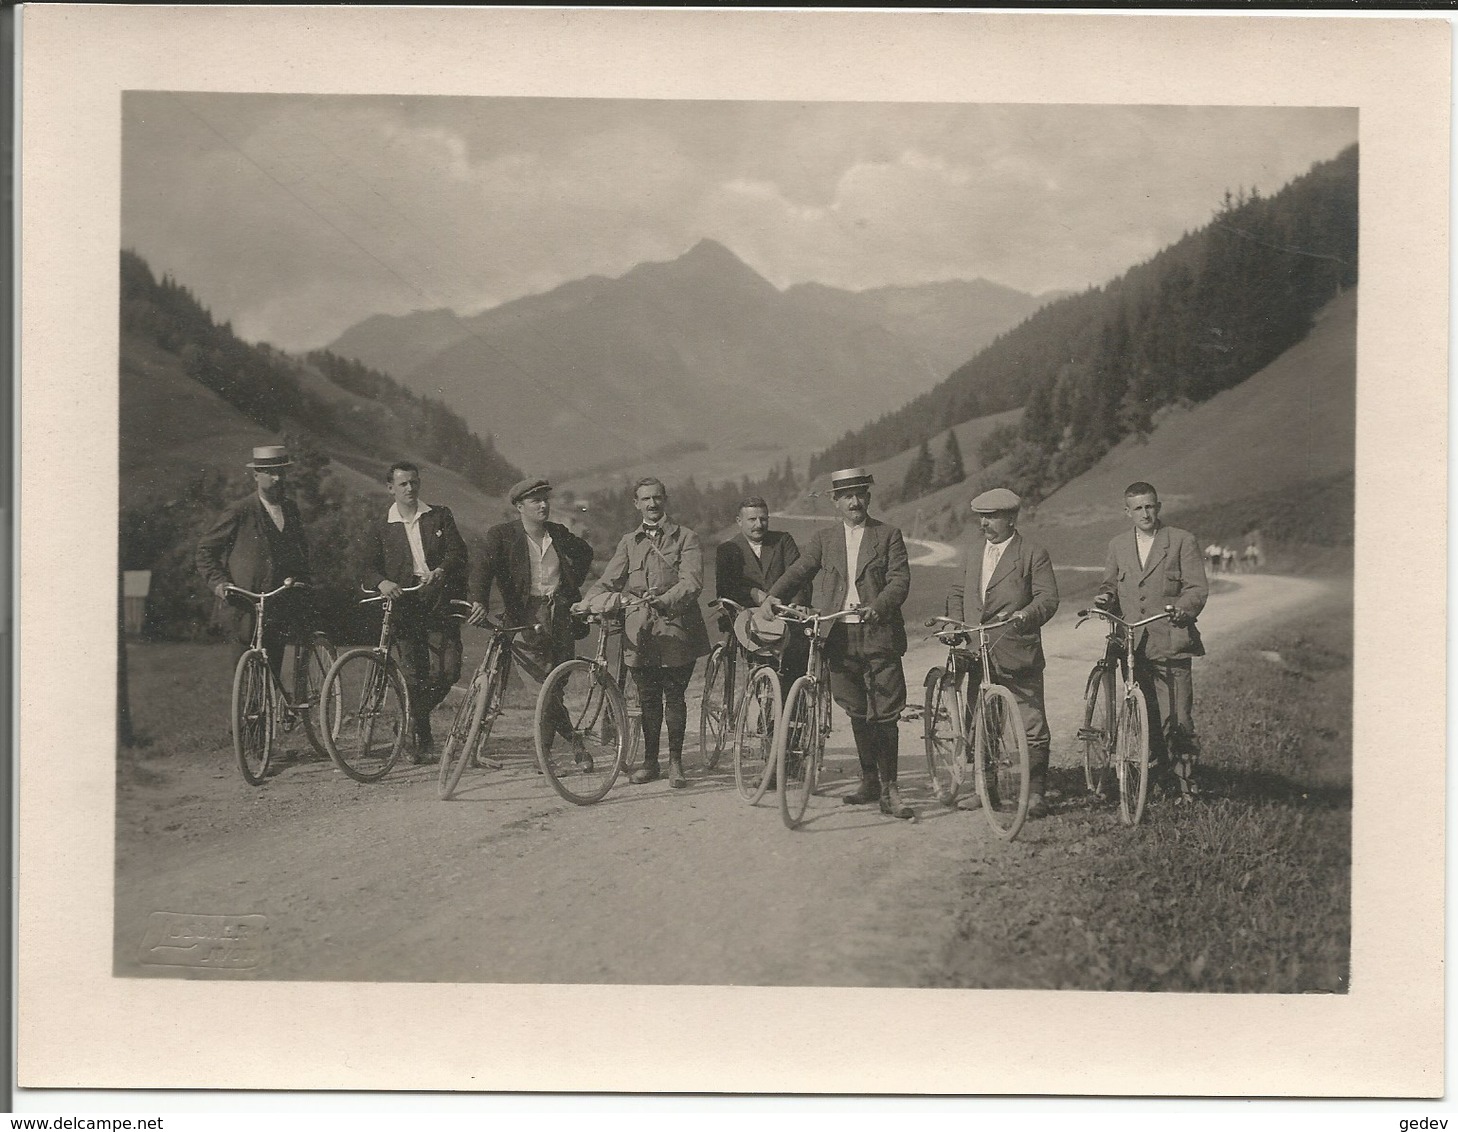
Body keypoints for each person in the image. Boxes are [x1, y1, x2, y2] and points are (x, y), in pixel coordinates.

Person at [760, 467, 914, 820]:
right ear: (835, 501)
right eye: (847, 496)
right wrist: (772, 595)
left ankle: (891, 790)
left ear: (869, 498)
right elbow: (800, 570)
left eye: (860, 495)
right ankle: (870, 780)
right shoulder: (824, 539)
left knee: (885, 713)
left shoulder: (888, 535)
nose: (855, 502)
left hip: (878, 634)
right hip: (837, 635)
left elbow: (899, 581)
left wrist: (878, 607)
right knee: (857, 709)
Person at [579, 477, 710, 789]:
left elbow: (692, 581)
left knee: (674, 695)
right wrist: (587, 603)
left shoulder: (686, 538)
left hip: (677, 626)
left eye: (657, 498)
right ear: (636, 504)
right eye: (645, 500)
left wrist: (664, 601)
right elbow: (609, 580)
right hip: (639, 632)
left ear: (665, 500)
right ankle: (651, 762)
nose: (652, 505)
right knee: (648, 698)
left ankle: (676, 761)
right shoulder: (629, 542)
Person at [945, 487, 1060, 818]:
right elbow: (956, 592)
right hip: (977, 650)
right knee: (981, 722)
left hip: (1016, 649)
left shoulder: (1031, 553)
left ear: (1011, 518)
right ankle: (986, 790)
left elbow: (1048, 599)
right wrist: (955, 626)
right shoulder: (971, 554)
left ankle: (1036, 793)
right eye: (981, 517)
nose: (984, 524)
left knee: (1031, 723)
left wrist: (1026, 616)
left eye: (992, 517)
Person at [467, 477, 595, 767]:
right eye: (536, 500)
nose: (543, 505)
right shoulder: (502, 536)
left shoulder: (558, 534)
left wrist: (571, 585)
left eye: (545, 499)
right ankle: (554, 751)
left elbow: (585, 553)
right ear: (519, 506)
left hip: (560, 613)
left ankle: (558, 746)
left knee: (557, 683)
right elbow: (482, 568)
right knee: (542, 687)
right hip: (524, 617)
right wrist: (479, 601)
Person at [1095, 481, 1209, 802]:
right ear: (1127, 512)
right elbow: (1109, 586)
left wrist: (1183, 610)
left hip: (1171, 641)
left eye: (1151, 506)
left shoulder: (1181, 541)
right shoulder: (1118, 545)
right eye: (1138, 508)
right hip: (1133, 647)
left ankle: (1187, 786)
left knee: (1178, 717)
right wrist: (1104, 598)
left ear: (1158, 506)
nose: (1146, 513)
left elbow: (1196, 589)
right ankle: (1160, 777)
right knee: (1147, 716)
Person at [359, 461, 468, 757]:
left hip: (437, 600)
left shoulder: (439, 516)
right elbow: (366, 567)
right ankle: (419, 734)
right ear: (390, 488)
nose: (410, 488)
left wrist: (442, 570)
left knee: (449, 671)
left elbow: (457, 552)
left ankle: (409, 721)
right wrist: (381, 582)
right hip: (404, 606)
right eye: (403, 484)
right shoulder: (380, 525)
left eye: (414, 482)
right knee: (414, 675)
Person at [196, 444, 315, 684]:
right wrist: (220, 583)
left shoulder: (290, 510)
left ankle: (272, 720)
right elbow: (205, 550)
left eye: (281, 472)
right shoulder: (240, 510)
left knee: (272, 678)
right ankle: (248, 722)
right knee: (247, 683)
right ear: (256, 475)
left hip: (280, 604)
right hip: (246, 607)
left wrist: (302, 586)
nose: (277, 478)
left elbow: (301, 553)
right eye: (270, 472)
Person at [715, 496, 812, 686]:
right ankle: (768, 707)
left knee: (795, 666)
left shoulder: (783, 540)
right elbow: (726, 588)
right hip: (749, 620)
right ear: (739, 521)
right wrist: (753, 593)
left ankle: (791, 708)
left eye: (763, 519)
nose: (759, 525)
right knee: (761, 672)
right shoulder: (728, 549)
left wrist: (798, 602)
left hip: (785, 613)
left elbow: (799, 576)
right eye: (752, 520)